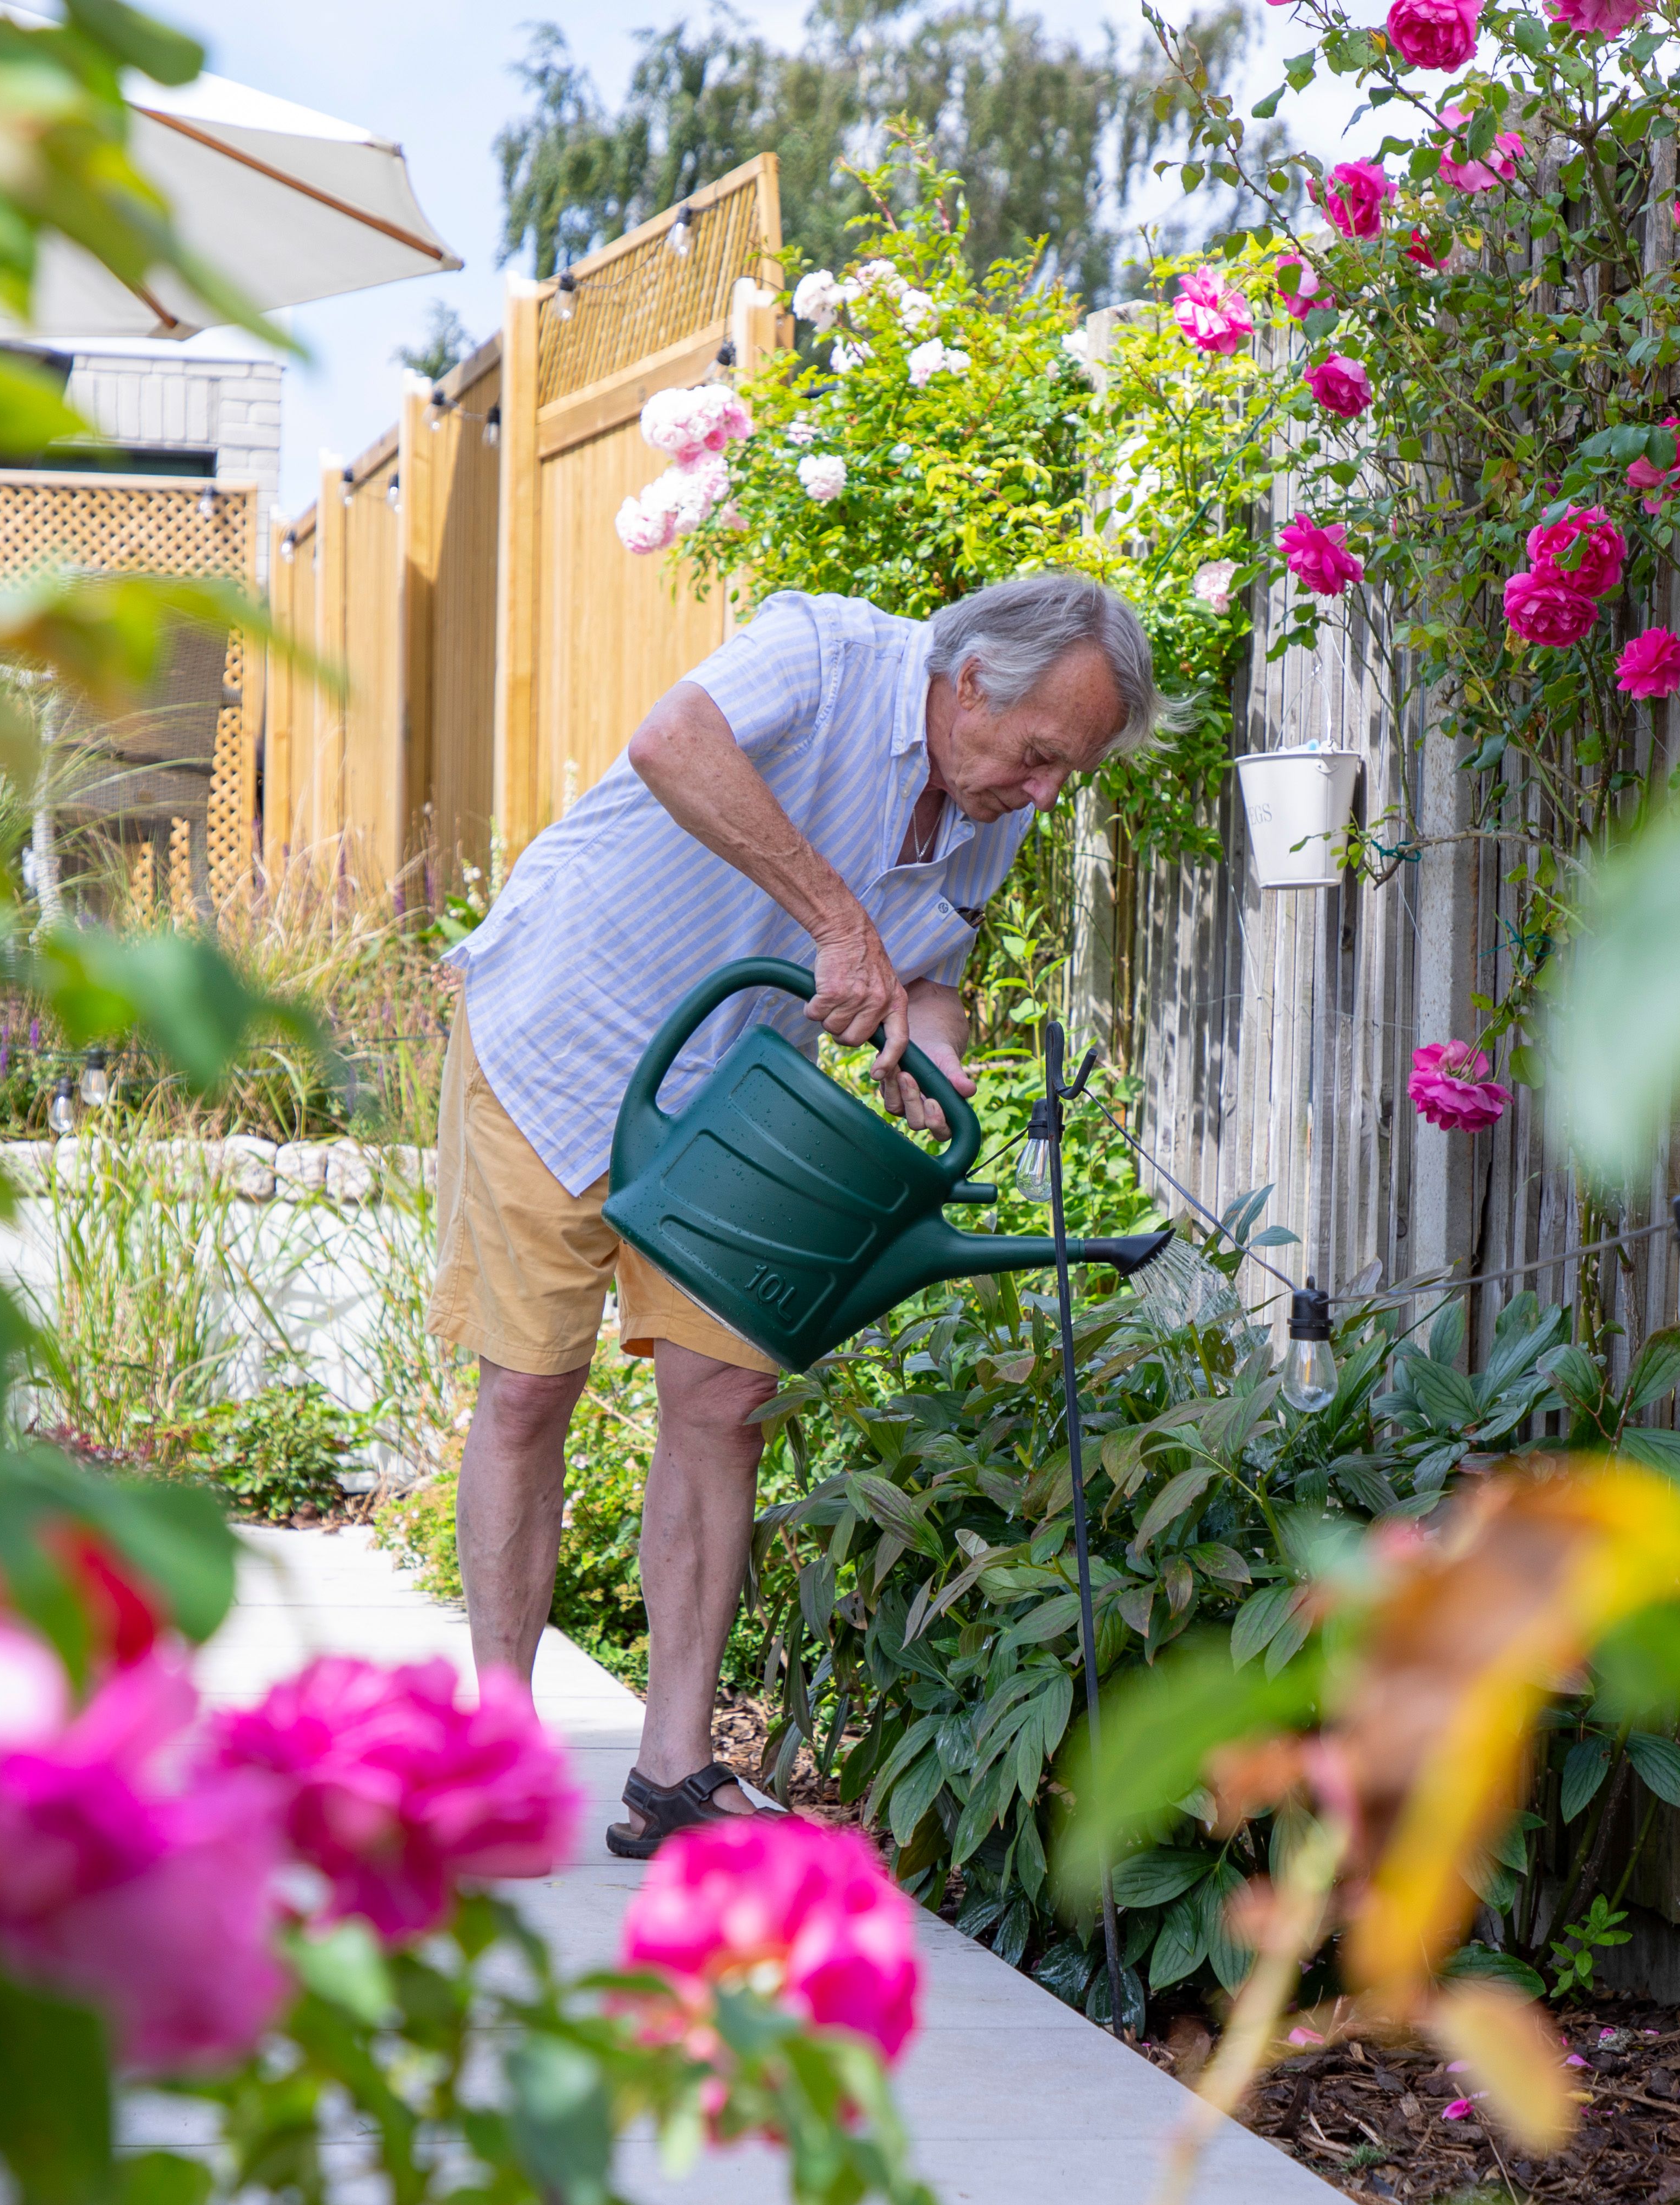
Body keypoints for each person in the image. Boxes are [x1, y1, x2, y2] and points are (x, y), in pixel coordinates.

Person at [437, 568, 1171, 1856]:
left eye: (1074, 771)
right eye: (1046, 755)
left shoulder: (990, 806)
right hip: (559, 1031)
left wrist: (939, 1051)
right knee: (527, 1389)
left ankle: (671, 1772)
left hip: (727, 1094)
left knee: (723, 1399)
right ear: (971, 683)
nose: (1048, 791)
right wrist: (836, 917)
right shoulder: (824, 652)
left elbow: (930, 966)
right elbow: (673, 740)